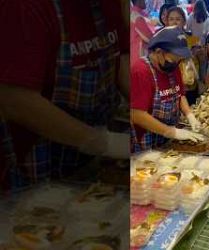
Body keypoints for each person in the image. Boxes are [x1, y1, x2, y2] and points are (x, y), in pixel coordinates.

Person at [0, 0, 129, 191]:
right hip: (33, 169)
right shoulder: (24, 7)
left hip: (87, 164)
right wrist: (103, 143)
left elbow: (120, 57)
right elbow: (15, 99)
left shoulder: (108, 5)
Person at [131, 27, 205, 153]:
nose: (176, 63)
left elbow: (180, 95)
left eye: (178, 60)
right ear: (159, 52)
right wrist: (170, 131)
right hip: (146, 140)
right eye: (173, 59)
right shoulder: (141, 71)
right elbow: (136, 114)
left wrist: (189, 115)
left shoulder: (171, 67)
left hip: (167, 139)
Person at [167, 6, 204, 105]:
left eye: (178, 19)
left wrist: (201, 53)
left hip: (191, 85)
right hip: (172, 87)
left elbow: (202, 61)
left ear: (184, 22)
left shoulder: (194, 40)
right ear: (167, 22)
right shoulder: (163, 43)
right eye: (171, 19)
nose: (174, 22)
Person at [131, 0, 155, 67]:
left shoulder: (136, 14)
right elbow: (149, 38)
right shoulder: (137, 17)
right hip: (139, 56)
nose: (145, 2)